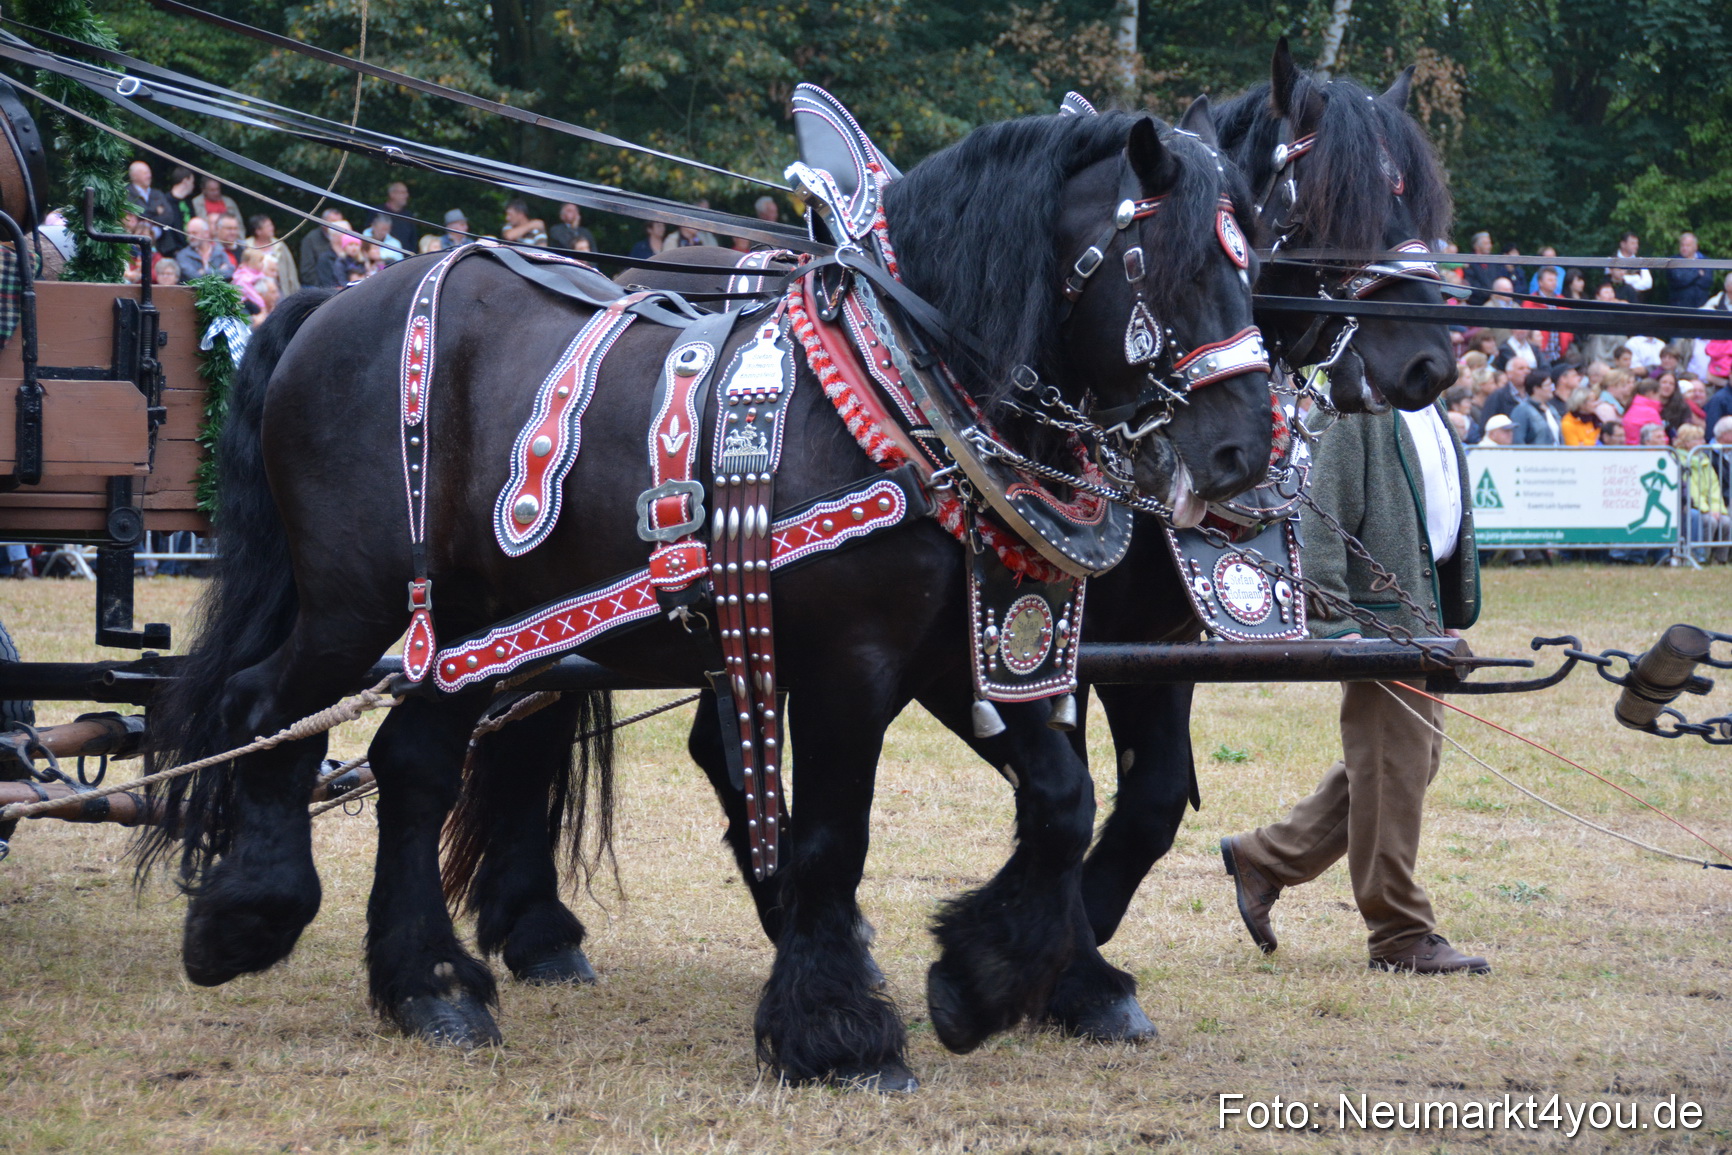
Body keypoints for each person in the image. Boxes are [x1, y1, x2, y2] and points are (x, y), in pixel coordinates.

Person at [1221, 399, 1487, 975]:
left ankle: (1266, 857)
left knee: (1403, 765)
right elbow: (1318, 517)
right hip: (1375, 622)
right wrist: (1336, 624)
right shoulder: (1352, 410)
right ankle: (1399, 933)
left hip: (1417, 615)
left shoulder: (1427, 407)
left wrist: (1445, 605)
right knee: (1393, 770)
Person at [1675, 425, 1730, 563]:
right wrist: (1707, 509)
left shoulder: (1705, 461)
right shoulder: (1678, 461)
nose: (1703, 442)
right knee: (1709, 521)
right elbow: (1690, 490)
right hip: (1691, 506)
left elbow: (1714, 489)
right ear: (1686, 443)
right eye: (1698, 439)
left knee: (1726, 522)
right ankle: (1701, 557)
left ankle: (1719, 559)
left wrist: (1717, 509)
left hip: (1709, 507)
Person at [125, 161, 182, 256]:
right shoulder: (126, 193)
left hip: (162, 247)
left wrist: (148, 221)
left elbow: (169, 216)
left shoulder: (158, 194)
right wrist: (156, 211)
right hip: (134, 248)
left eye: (149, 172)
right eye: (145, 173)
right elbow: (137, 213)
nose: (149, 176)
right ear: (134, 176)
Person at [174, 216, 235, 282]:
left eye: (194, 233)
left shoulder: (219, 253)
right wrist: (220, 271)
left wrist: (204, 272)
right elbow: (193, 277)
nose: (191, 236)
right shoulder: (183, 255)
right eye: (189, 233)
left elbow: (230, 273)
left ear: (206, 233)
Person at [1510, 371, 1560, 445]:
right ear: (1536, 388)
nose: (1552, 388)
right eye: (1548, 385)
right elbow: (1518, 440)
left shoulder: (1552, 410)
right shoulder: (1522, 410)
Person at [1666, 232, 1713, 309]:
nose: (1684, 248)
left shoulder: (1705, 260)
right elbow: (1680, 280)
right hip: (1680, 307)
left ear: (1695, 246)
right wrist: (1697, 273)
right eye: (1682, 245)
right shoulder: (1673, 261)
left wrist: (1688, 276)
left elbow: (1708, 281)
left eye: (1688, 245)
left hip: (1702, 307)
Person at [300, 207, 346, 282]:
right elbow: (307, 271)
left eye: (340, 222)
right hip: (320, 285)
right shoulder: (310, 239)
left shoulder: (346, 238)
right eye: (334, 222)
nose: (338, 225)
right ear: (323, 222)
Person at [1609, 231, 1651, 301]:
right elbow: (1609, 282)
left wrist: (1626, 285)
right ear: (1623, 244)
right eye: (1632, 243)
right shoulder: (1610, 260)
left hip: (1636, 303)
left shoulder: (1641, 261)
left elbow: (1648, 283)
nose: (1636, 246)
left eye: (1637, 243)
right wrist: (1636, 278)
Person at [377, 181, 417, 252]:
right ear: (392, 194)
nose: (406, 196)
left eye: (406, 192)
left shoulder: (408, 216)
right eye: (402, 193)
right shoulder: (378, 212)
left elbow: (413, 241)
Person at [1622, 377, 1665, 445]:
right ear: (1651, 393)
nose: (1660, 400)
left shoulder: (1630, 407)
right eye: (1659, 396)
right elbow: (1661, 438)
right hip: (1645, 451)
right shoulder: (1651, 413)